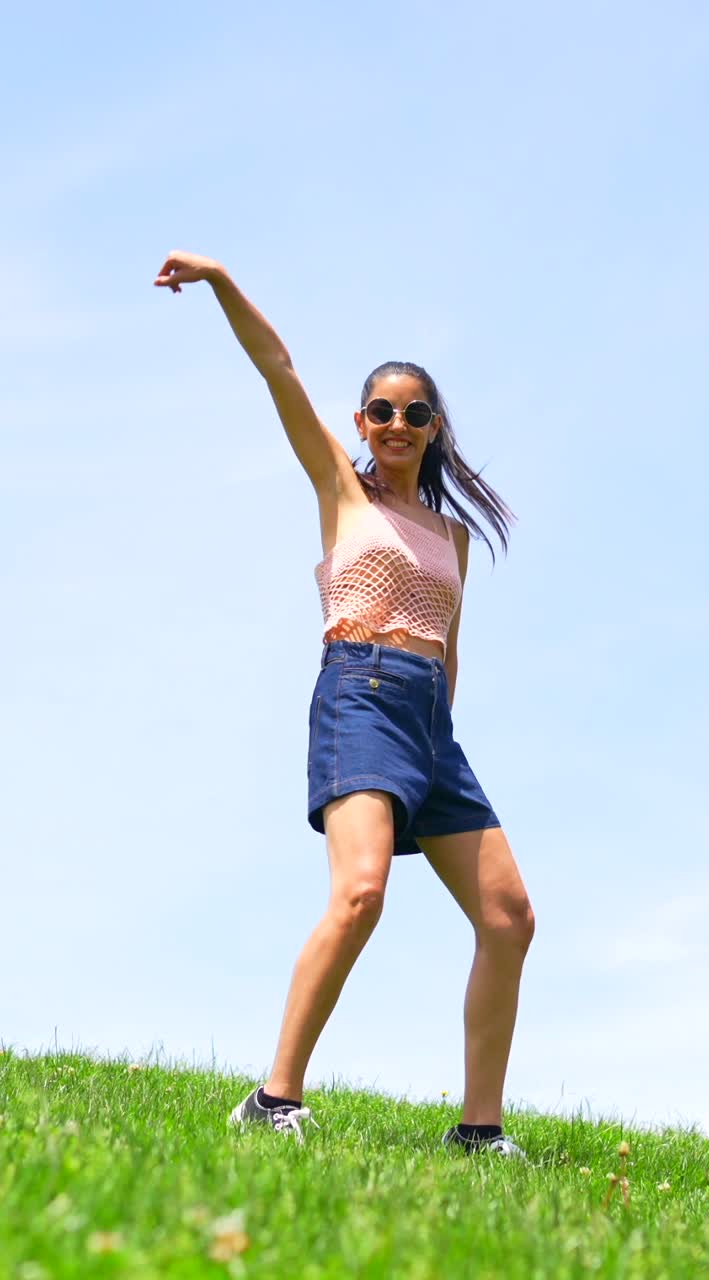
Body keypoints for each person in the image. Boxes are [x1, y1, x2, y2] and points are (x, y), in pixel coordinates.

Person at [154, 251, 536, 1155]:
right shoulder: (341, 487)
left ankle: (479, 1132)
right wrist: (219, 282)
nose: (395, 424)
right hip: (358, 692)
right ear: (362, 423)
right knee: (361, 892)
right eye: (381, 412)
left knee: (509, 917)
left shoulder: (452, 537)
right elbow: (277, 367)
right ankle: (274, 1098)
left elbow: (451, 647)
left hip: (429, 722)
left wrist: (441, 730)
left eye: (414, 413)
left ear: (434, 428)